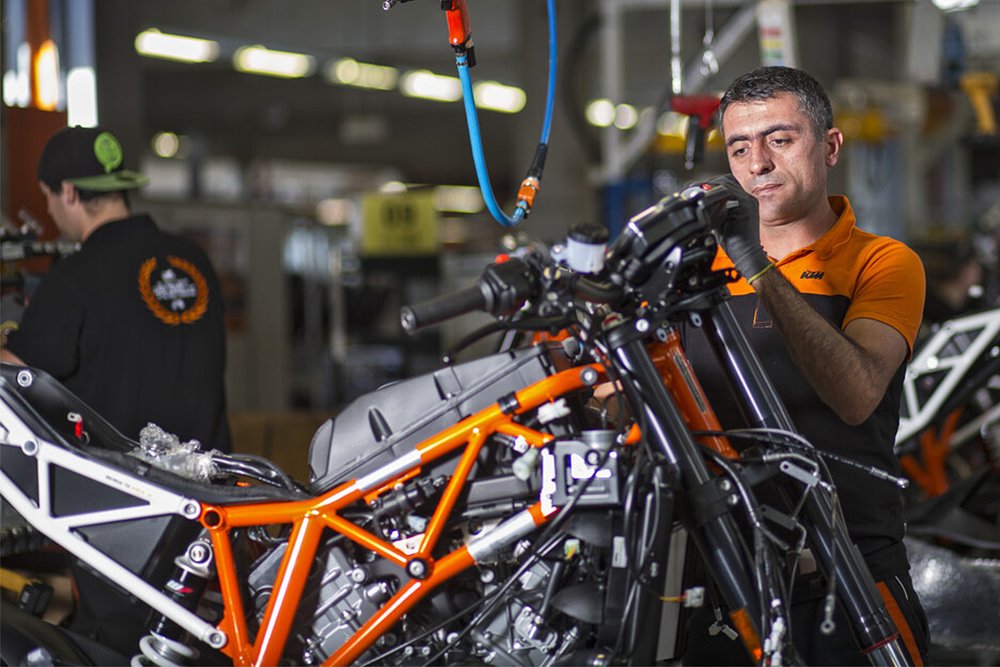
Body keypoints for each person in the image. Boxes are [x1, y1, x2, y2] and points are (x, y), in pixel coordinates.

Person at [679, 67, 930, 665]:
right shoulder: (695, 272)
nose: (758, 164)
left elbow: (856, 395)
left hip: (849, 582)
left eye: (780, 139)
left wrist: (757, 268)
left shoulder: (882, 262)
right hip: (720, 584)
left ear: (830, 146)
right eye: (740, 148)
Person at [2, 125, 231, 453]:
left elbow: (9, 377)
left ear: (68, 192)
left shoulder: (75, 275)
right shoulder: (194, 259)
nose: (49, 209)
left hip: (124, 481)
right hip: (210, 475)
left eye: (47, 196)